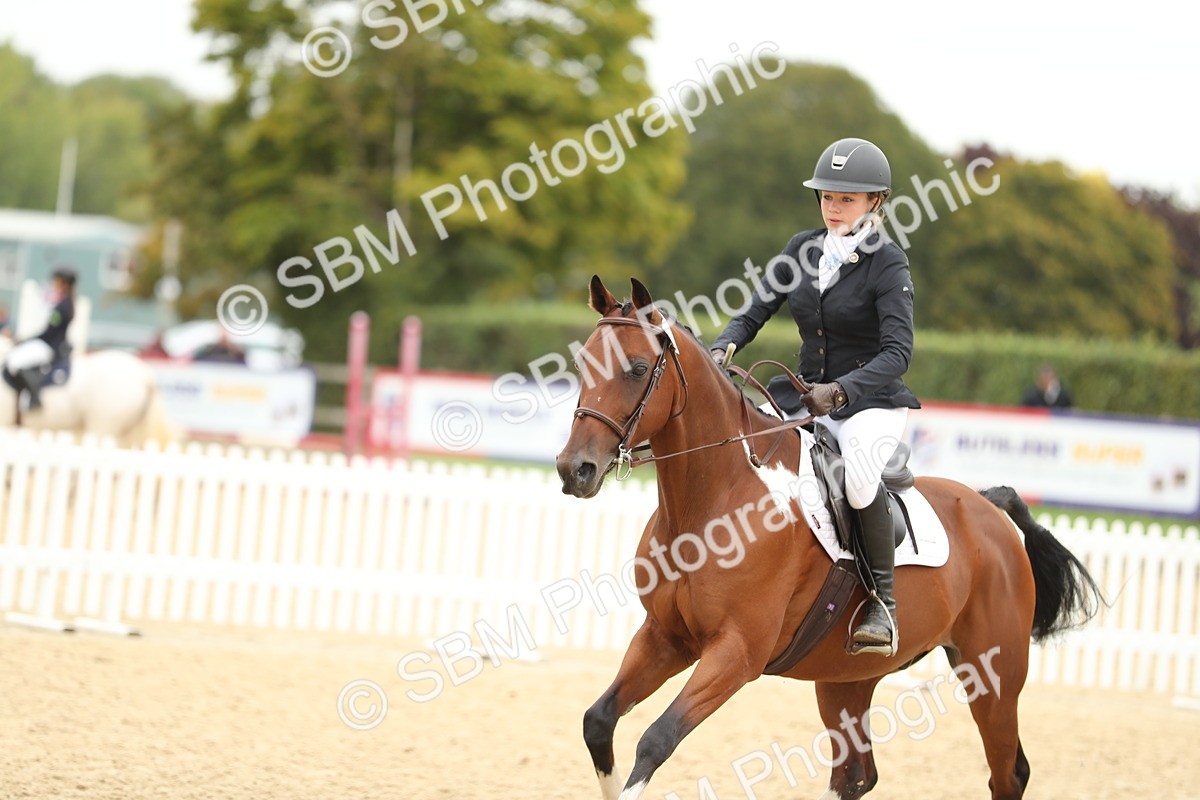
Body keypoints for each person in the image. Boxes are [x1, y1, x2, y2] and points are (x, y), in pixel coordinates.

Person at [709, 137, 920, 656]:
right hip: (805, 397)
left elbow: (898, 353)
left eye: (846, 199)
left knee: (857, 481)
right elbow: (755, 310)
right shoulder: (802, 248)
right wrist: (723, 345)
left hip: (871, 406)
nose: (832, 207)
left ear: (876, 201)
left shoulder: (888, 264)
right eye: (827, 196)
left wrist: (843, 391)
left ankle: (883, 605)